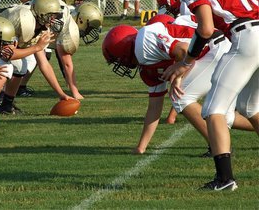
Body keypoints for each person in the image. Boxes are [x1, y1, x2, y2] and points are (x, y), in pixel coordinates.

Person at [161, 0, 259, 191]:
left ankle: (224, 179)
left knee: (213, 110)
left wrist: (186, 61)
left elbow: (204, 27)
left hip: (247, 37)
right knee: (250, 108)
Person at [102, 16, 254, 157]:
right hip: (211, 52)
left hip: (214, 48)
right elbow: (154, 108)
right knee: (225, 117)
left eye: (117, 60)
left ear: (123, 51)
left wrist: (178, 77)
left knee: (181, 97)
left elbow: (183, 50)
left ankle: (218, 148)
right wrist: (141, 147)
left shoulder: (144, 43)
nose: (120, 64)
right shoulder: (146, 66)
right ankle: (220, 145)